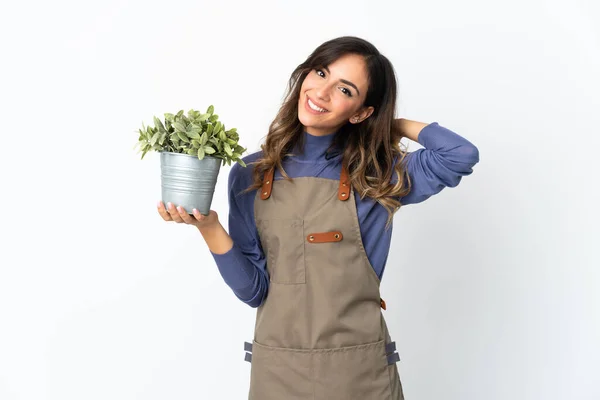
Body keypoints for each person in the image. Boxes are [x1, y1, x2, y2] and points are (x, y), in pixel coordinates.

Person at [157, 36, 479, 400]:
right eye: (321, 72)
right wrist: (209, 227)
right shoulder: (251, 172)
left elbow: (460, 155)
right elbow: (253, 291)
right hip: (277, 372)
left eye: (344, 89)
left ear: (360, 111)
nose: (321, 93)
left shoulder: (374, 174)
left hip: (360, 375)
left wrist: (392, 124)